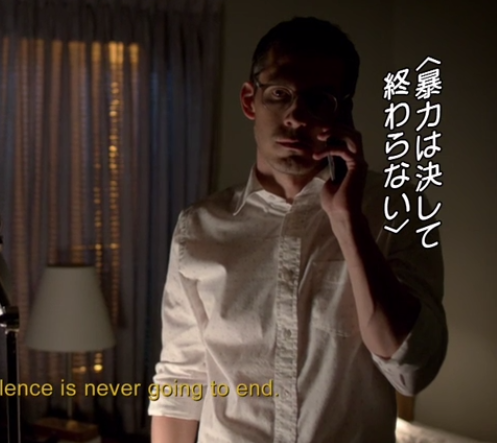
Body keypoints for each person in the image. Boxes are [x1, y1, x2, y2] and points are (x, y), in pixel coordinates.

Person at [147, 17, 447, 443]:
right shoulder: (198, 228)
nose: (295, 116)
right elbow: (181, 380)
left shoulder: (398, 210)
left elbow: (411, 370)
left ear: (342, 111)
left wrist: (348, 223)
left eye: (318, 99)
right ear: (250, 100)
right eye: (280, 94)